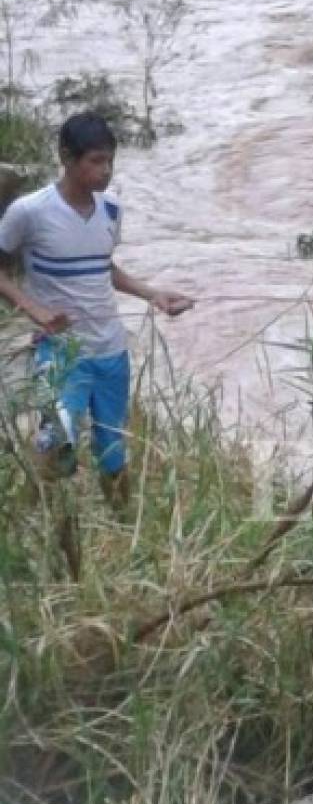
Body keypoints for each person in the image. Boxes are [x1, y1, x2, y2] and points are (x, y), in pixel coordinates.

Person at [0, 112, 194, 511]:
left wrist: (151, 293)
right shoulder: (30, 212)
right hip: (61, 351)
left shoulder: (110, 210)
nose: (105, 171)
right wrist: (33, 309)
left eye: (110, 161)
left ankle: (122, 524)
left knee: (113, 448)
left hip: (110, 350)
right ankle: (40, 526)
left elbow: (102, 266)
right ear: (67, 158)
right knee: (57, 443)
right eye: (95, 161)